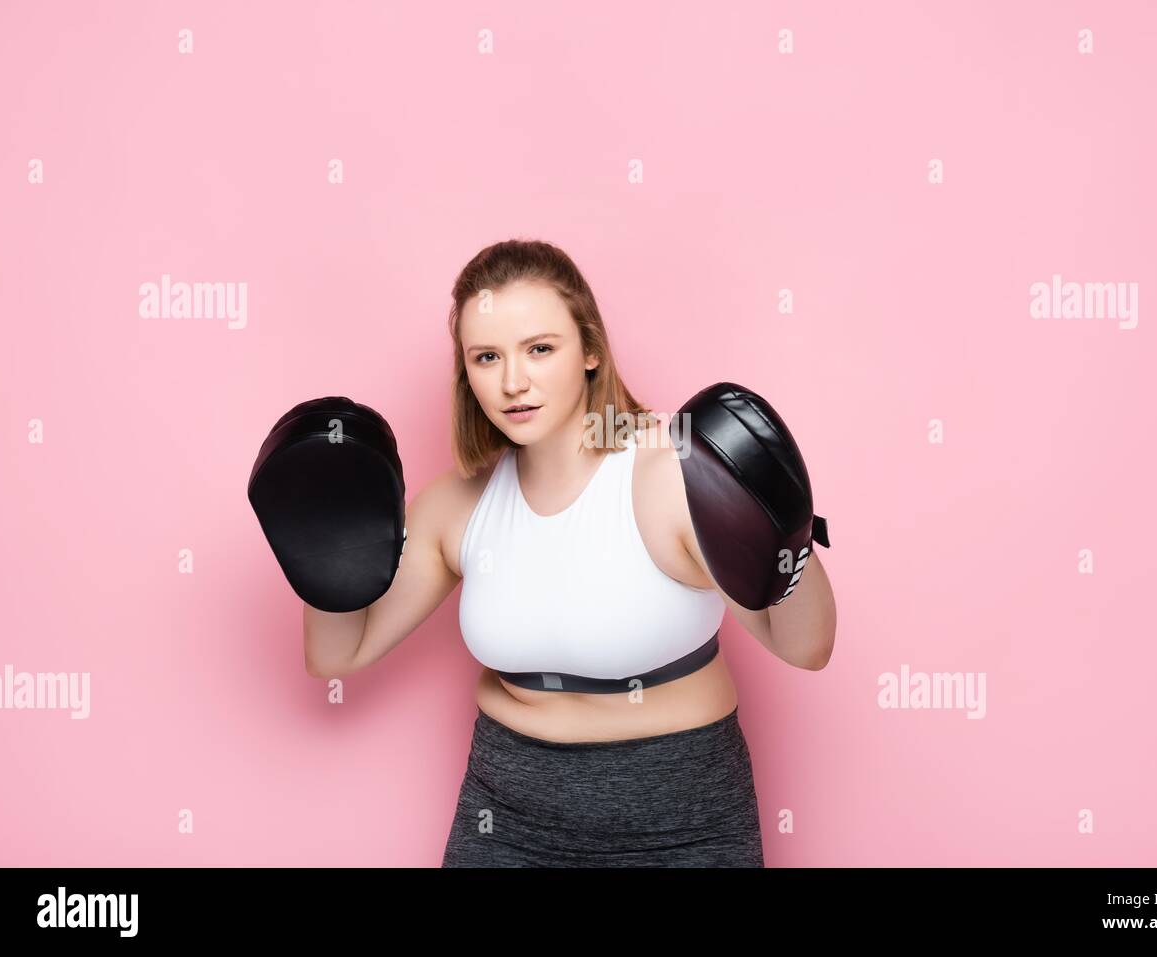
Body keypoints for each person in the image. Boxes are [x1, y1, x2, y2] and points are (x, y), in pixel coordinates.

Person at [296, 239, 837, 866]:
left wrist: (787, 532)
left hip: (682, 824)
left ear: (590, 350)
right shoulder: (457, 505)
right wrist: (324, 542)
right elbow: (337, 654)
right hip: (506, 821)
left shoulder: (669, 475)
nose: (513, 382)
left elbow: (806, 648)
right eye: (487, 357)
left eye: (540, 349)